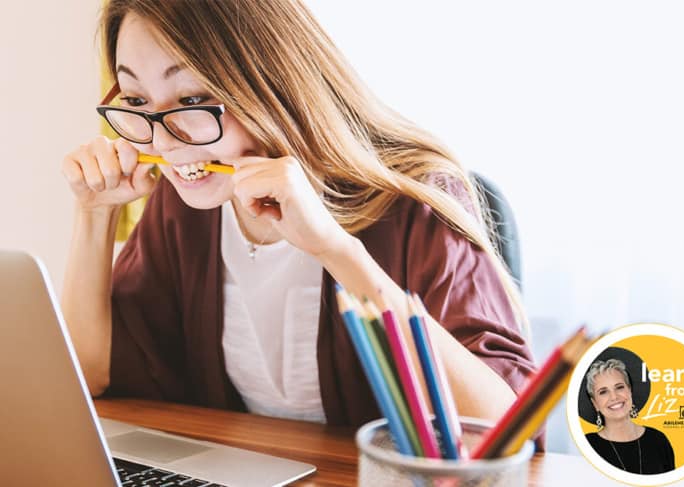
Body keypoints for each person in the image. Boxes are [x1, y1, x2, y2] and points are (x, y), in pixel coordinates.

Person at [61, 0, 538, 444]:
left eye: (190, 99)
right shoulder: (183, 207)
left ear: (271, 82)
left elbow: (503, 431)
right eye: (139, 101)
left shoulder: (416, 200)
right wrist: (95, 214)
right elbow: (90, 374)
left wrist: (337, 250)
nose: (164, 143)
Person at [585, 358, 675, 474]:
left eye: (619, 387)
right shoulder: (587, 445)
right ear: (595, 403)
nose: (614, 397)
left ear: (630, 391)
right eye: (603, 392)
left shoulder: (658, 440)